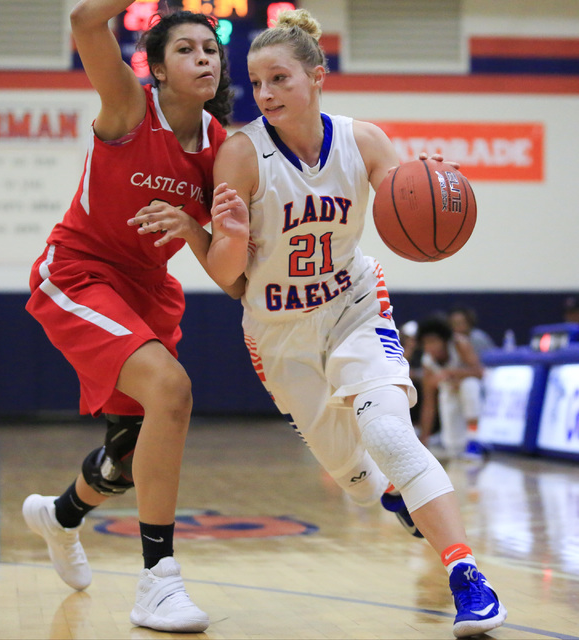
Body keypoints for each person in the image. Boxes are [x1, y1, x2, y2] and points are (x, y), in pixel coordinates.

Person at [205, 9, 507, 638]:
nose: (265, 94)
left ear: (318, 77)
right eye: (257, 83)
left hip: (354, 307)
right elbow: (226, 274)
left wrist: (430, 186)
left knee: (391, 434)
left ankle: (467, 578)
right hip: (278, 332)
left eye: (279, 79)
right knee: (359, 484)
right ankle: (395, 497)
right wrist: (228, 236)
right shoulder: (241, 153)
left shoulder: (364, 141)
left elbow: (408, 215)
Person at [22, 1, 238, 633]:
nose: (203, 58)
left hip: (147, 289)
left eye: (210, 49)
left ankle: (60, 516)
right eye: (186, 49)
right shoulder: (129, 108)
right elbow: (86, 23)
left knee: (124, 456)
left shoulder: (227, 149)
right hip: (81, 272)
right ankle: (158, 581)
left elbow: (230, 278)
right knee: (172, 388)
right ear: (158, 69)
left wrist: (197, 228)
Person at [417, 315, 486, 459]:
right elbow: (429, 404)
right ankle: (460, 447)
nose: (430, 346)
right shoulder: (427, 362)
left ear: (444, 340)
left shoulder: (459, 344)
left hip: (475, 387)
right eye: (426, 343)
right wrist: (424, 439)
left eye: (433, 341)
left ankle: (474, 440)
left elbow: (479, 372)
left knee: (469, 387)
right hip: (449, 390)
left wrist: (450, 372)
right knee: (453, 447)